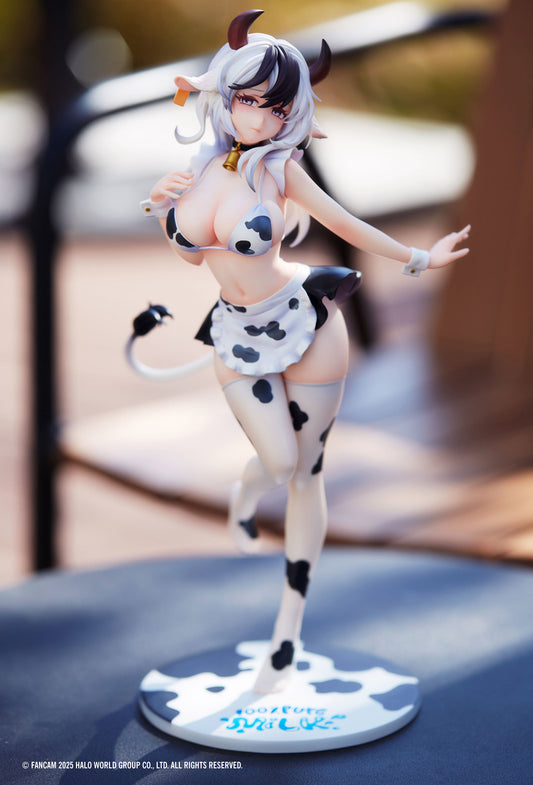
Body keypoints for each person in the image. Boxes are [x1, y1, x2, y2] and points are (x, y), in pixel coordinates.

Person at [136, 9, 469, 693]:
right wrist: (164, 209)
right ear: (224, 94)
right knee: (278, 460)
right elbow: (194, 257)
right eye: (248, 100)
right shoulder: (198, 172)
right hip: (235, 332)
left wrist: (418, 257)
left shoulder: (280, 171)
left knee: (305, 472)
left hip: (305, 321)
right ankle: (245, 491)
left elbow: (344, 221)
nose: (258, 117)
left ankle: (286, 634)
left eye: (276, 107)